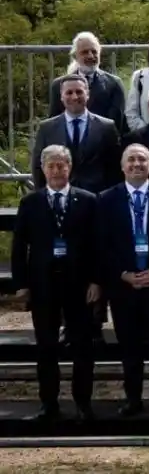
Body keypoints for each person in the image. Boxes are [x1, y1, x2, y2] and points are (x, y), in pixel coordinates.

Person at [12, 145, 99, 420]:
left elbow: (100, 244)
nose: (57, 170)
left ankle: (83, 402)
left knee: (83, 347)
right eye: (51, 166)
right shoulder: (31, 203)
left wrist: (97, 281)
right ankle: (49, 404)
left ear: (70, 168)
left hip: (79, 284)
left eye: (62, 165)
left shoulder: (88, 200)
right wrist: (21, 284)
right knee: (46, 347)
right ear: (43, 170)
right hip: (43, 285)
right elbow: (19, 246)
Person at [98, 144, 149, 417]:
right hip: (124, 286)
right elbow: (102, 244)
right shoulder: (107, 199)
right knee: (129, 347)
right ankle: (133, 399)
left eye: (142, 159)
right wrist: (123, 274)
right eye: (131, 160)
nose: (136, 164)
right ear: (122, 166)